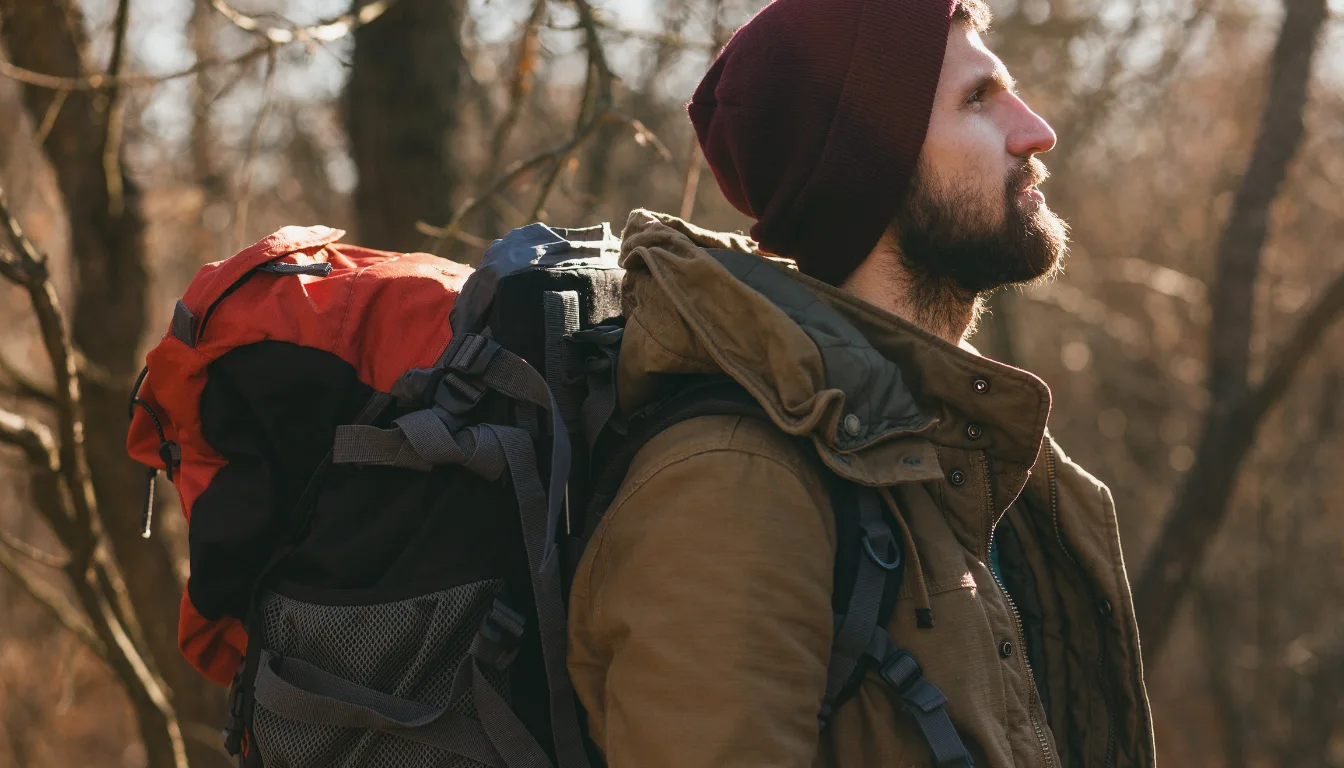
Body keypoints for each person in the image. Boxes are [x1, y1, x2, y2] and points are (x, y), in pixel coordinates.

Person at [566, 0, 1156, 766]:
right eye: (979, 99)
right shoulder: (732, 485)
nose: (1036, 130)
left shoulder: (976, 465)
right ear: (870, 163)